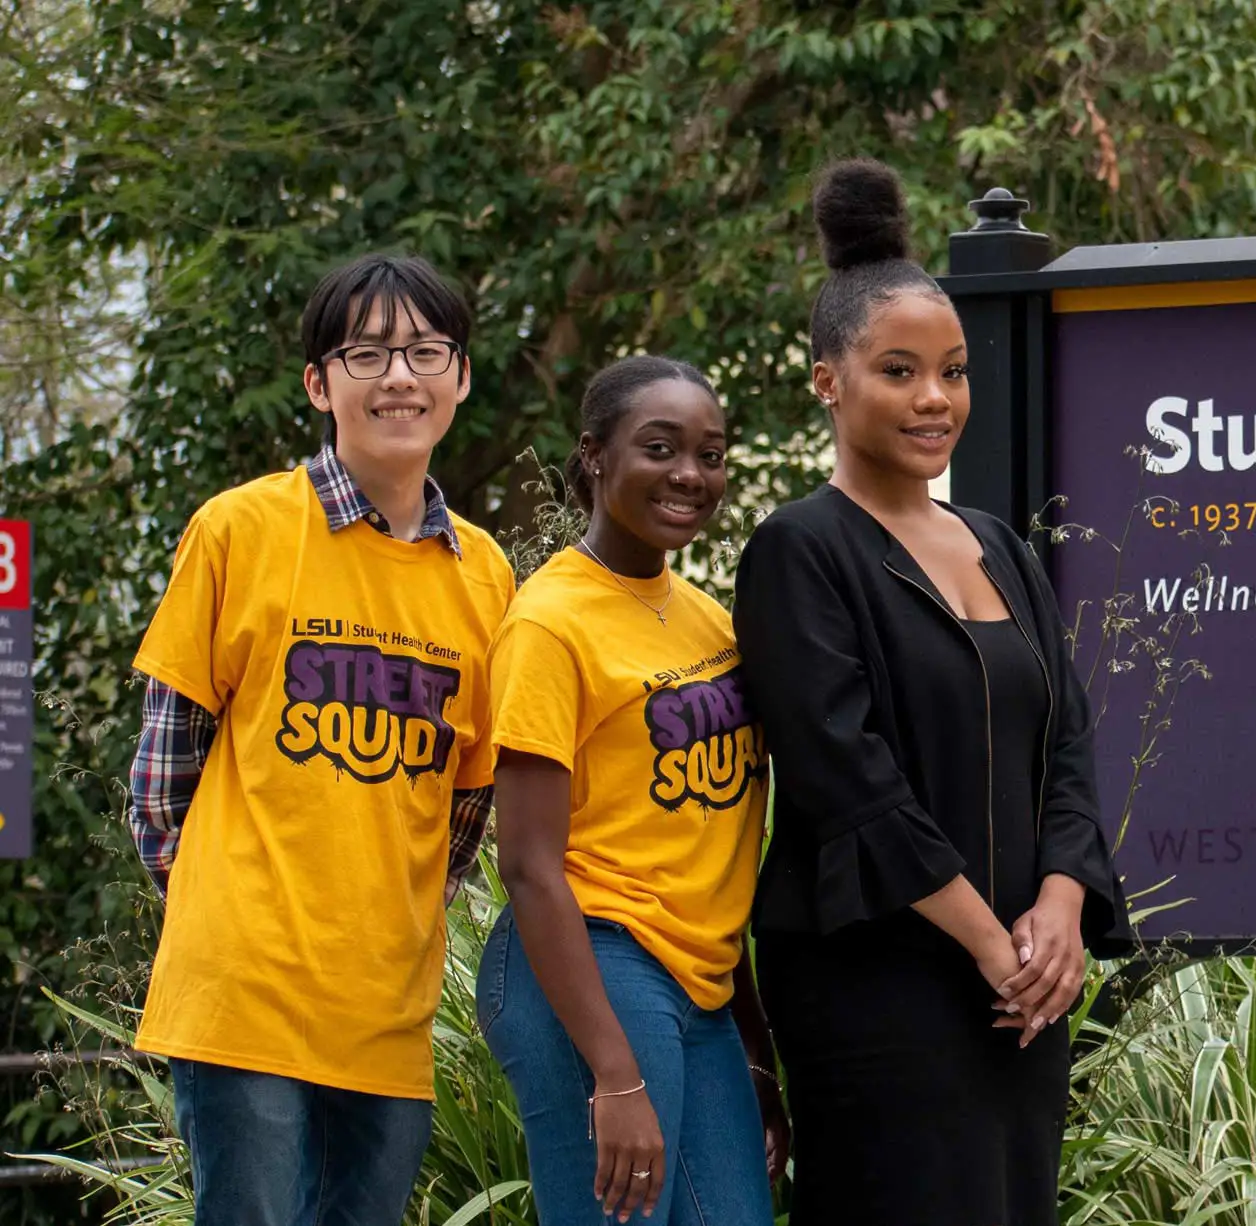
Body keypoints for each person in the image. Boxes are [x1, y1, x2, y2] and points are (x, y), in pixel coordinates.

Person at [734, 158, 1133, 1223]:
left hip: (1018, 989)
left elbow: (1067, 745)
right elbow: (848, 779)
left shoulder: (997, 544)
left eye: (952, 371)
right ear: (829, 378)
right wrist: (989, 941)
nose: (935, 398)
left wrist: (1057, 908)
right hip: (878, 982)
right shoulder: (798, 549)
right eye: (899, 370)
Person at [124, 253, 516, 1226]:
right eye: (369, 352)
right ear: (318, 381)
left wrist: (389, 920)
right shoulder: (240, 530)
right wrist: (233, 914)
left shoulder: (486, 575)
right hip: (244, 993)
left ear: (460, 377)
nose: (399, 376)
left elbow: (467, 800)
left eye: (427, 351)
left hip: (386, 1008)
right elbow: (161, 777)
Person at [476, 356, 785, 1224]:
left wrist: (757, 1054)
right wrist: (614, 1076)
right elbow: (530, 866)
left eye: (710, 453)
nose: (690, 474)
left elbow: (717, 848)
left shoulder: (708, 620)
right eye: (660, 448)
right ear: (595, 456)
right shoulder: (549, 624)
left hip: (701, 986)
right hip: (594, 963)